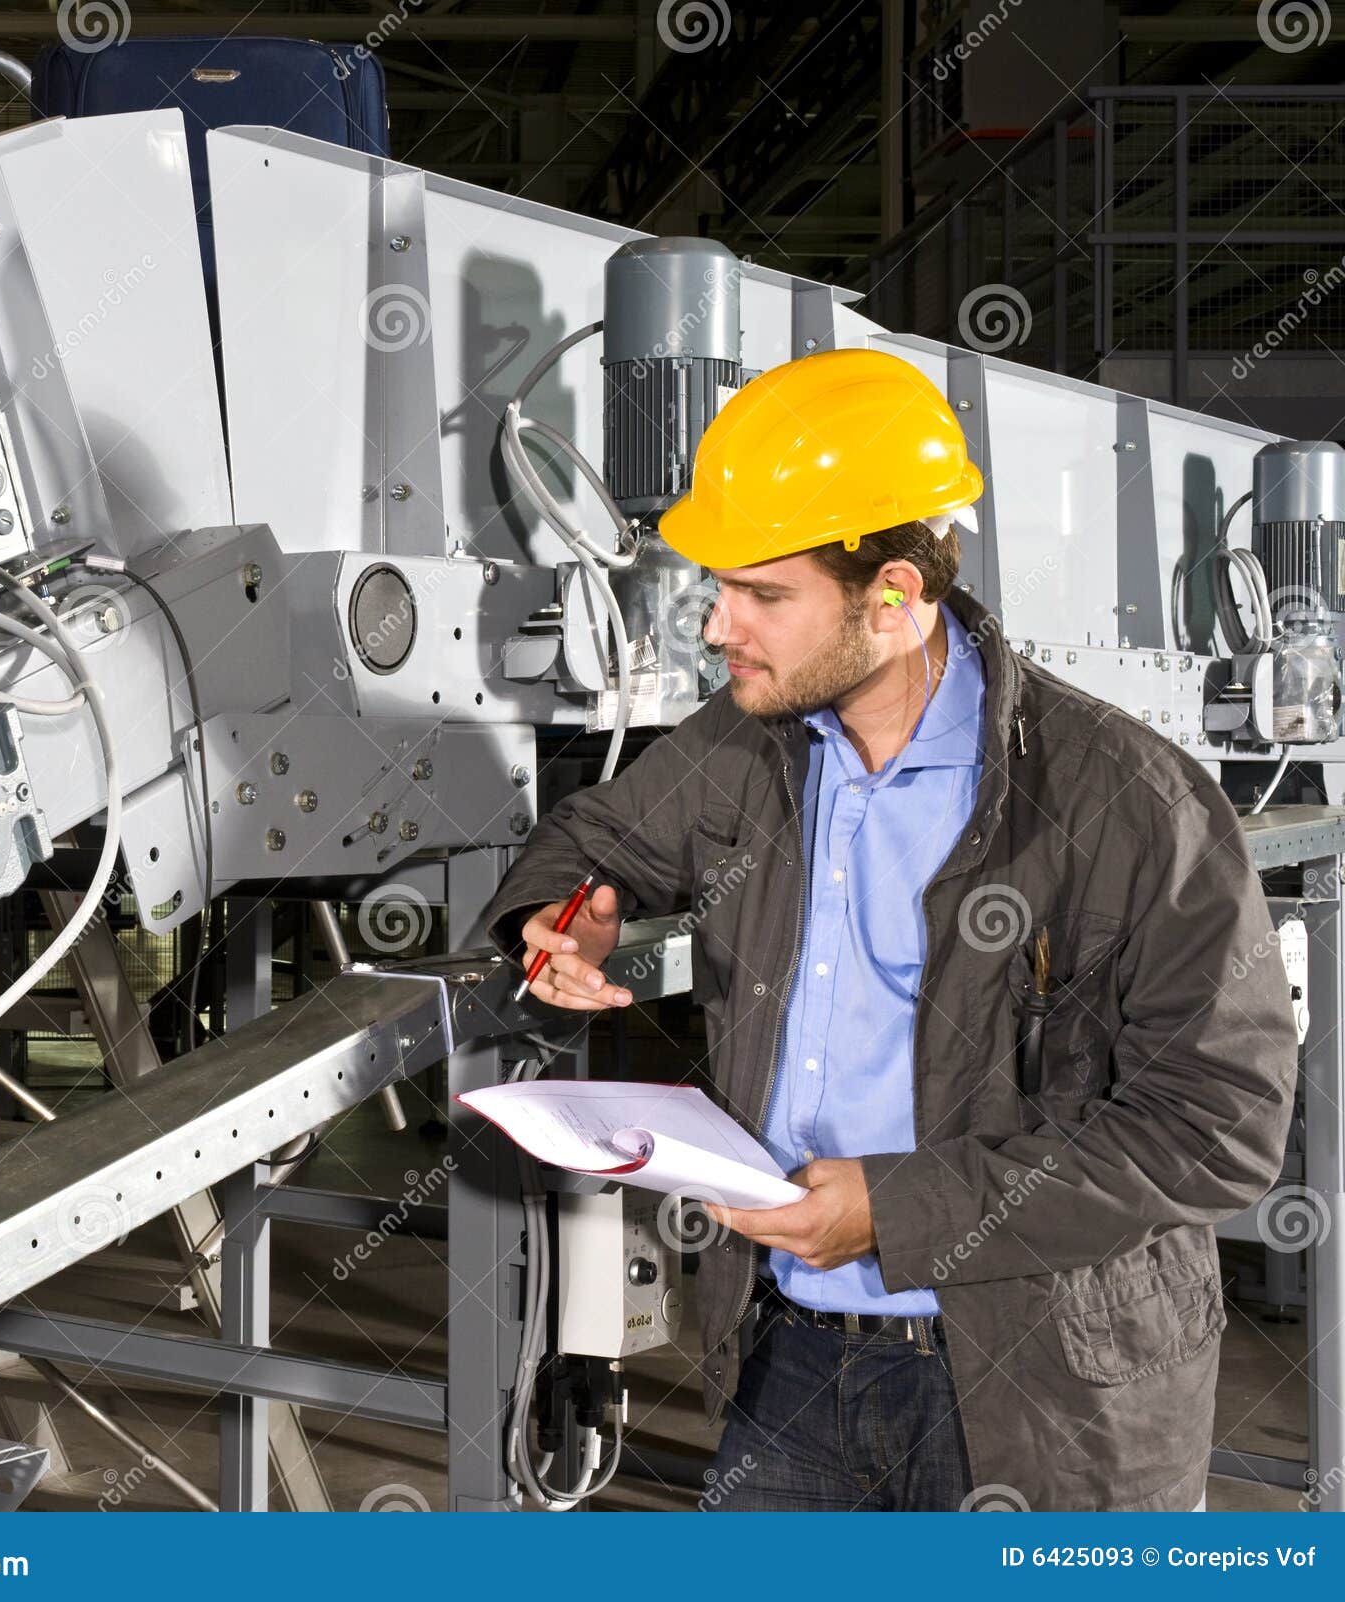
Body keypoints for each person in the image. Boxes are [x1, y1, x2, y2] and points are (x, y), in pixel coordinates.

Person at [481, 347, 1297, 1511]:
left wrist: (895, 1210)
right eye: (720, 587)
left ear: (897, 598)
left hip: (1041, 1388)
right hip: (792, 1357)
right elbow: (587, 839)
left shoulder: (1125, 799)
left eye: (764, 595)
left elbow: (1218, 1125)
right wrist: (561, 920)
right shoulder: (744, 744)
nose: (718, 626)